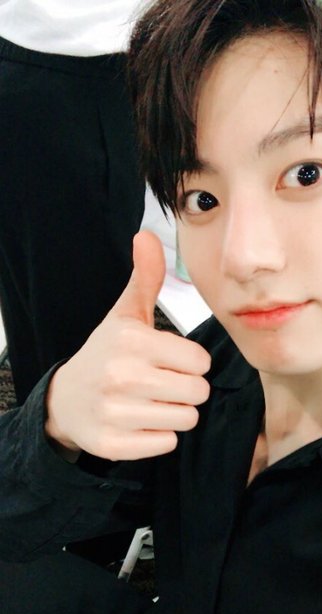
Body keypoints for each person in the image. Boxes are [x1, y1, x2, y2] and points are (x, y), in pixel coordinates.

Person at [1, 0, 322, 614]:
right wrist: (57, 423)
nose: (241, 256)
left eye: (305, 174)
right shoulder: (214, 370)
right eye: (203, 198)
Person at [0, 0, 146, 405]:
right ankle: (61, 431)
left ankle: (41, 420)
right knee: (83, 321)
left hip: (30, 52)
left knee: (33, 292)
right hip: (76, 64)